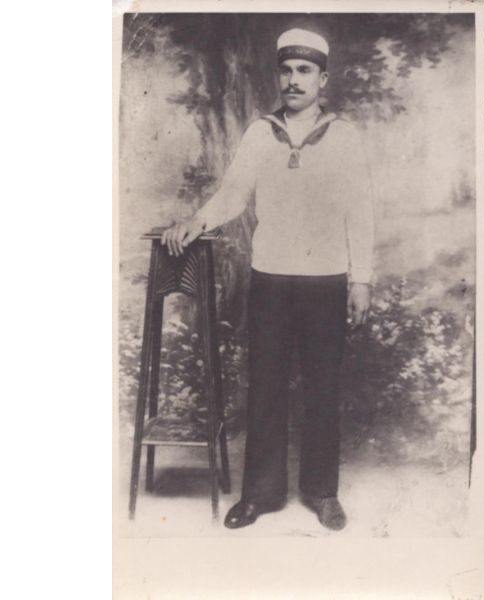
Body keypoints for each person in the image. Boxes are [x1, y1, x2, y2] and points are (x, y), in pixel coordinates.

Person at [162, 28, 374, 531]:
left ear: (323, 79)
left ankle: (322, 492)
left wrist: (361, 280)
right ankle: (260, 493)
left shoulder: (344, 136)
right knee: (265, 386)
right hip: (272, 279)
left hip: (325, 279)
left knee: (322, 387)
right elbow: (234, 193)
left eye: (305, 70)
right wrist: (197, 221)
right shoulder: (261, 132)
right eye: (287, 70)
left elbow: (360, 209)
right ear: (278, 76)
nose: (294, 80)